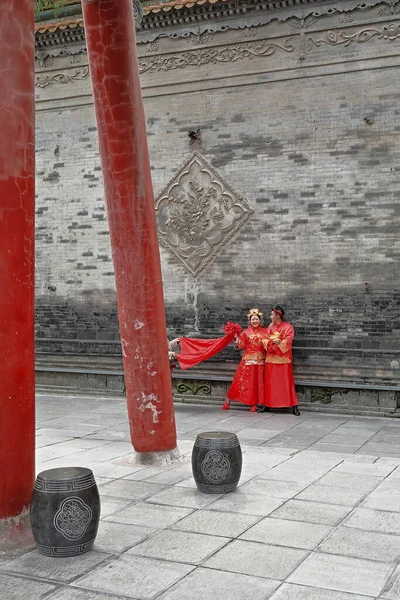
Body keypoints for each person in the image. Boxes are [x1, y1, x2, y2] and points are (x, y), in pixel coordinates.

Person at [222, 308, 268, 412]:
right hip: (248, 361)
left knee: (258, 383)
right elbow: (241, 346)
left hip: (261, 361)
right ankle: (228, 398)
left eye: (256, 319)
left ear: (260, 320)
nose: (255, 321)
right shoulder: (246, 332)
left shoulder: (266, 331)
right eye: (253, 319)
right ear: (250, 321)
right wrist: (237, 341)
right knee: (243, 382)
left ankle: (255, 402)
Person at [258, 306, 300, 415]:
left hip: (283, 359)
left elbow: (289, 341)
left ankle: (293, 405)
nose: (270, 317)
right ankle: (268, 404)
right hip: (271, 358)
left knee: (287, 383)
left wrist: (278, 343)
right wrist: (272, 345)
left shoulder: (288, 327)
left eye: (272, 315)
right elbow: (265, 340)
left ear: (278, 315)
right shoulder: (270, 327)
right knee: (270, 383)